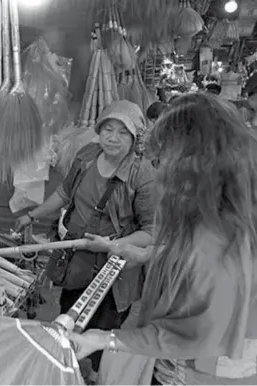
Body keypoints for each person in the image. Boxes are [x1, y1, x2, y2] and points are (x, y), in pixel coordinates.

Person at [69, 93, 257, 385]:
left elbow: (194, 333)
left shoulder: (221, 234)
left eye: (167, 158)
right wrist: (147, 255)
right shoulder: (231, 206)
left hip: (205, 372)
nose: (162, 170)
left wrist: (104, 339)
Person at [15, 100, 157, 381]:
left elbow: (151, 232)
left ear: (135, 137)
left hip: (114, 274)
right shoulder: (87, 156)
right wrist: (31, 216)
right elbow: (64, 194)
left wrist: (111, 246)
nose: (112, 138)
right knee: (67, 326)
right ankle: (70, 375)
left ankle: (89, 377)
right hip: (77, 265)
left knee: (97, 340)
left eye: (122, 132)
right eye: (107, 129)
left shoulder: (143, 175)